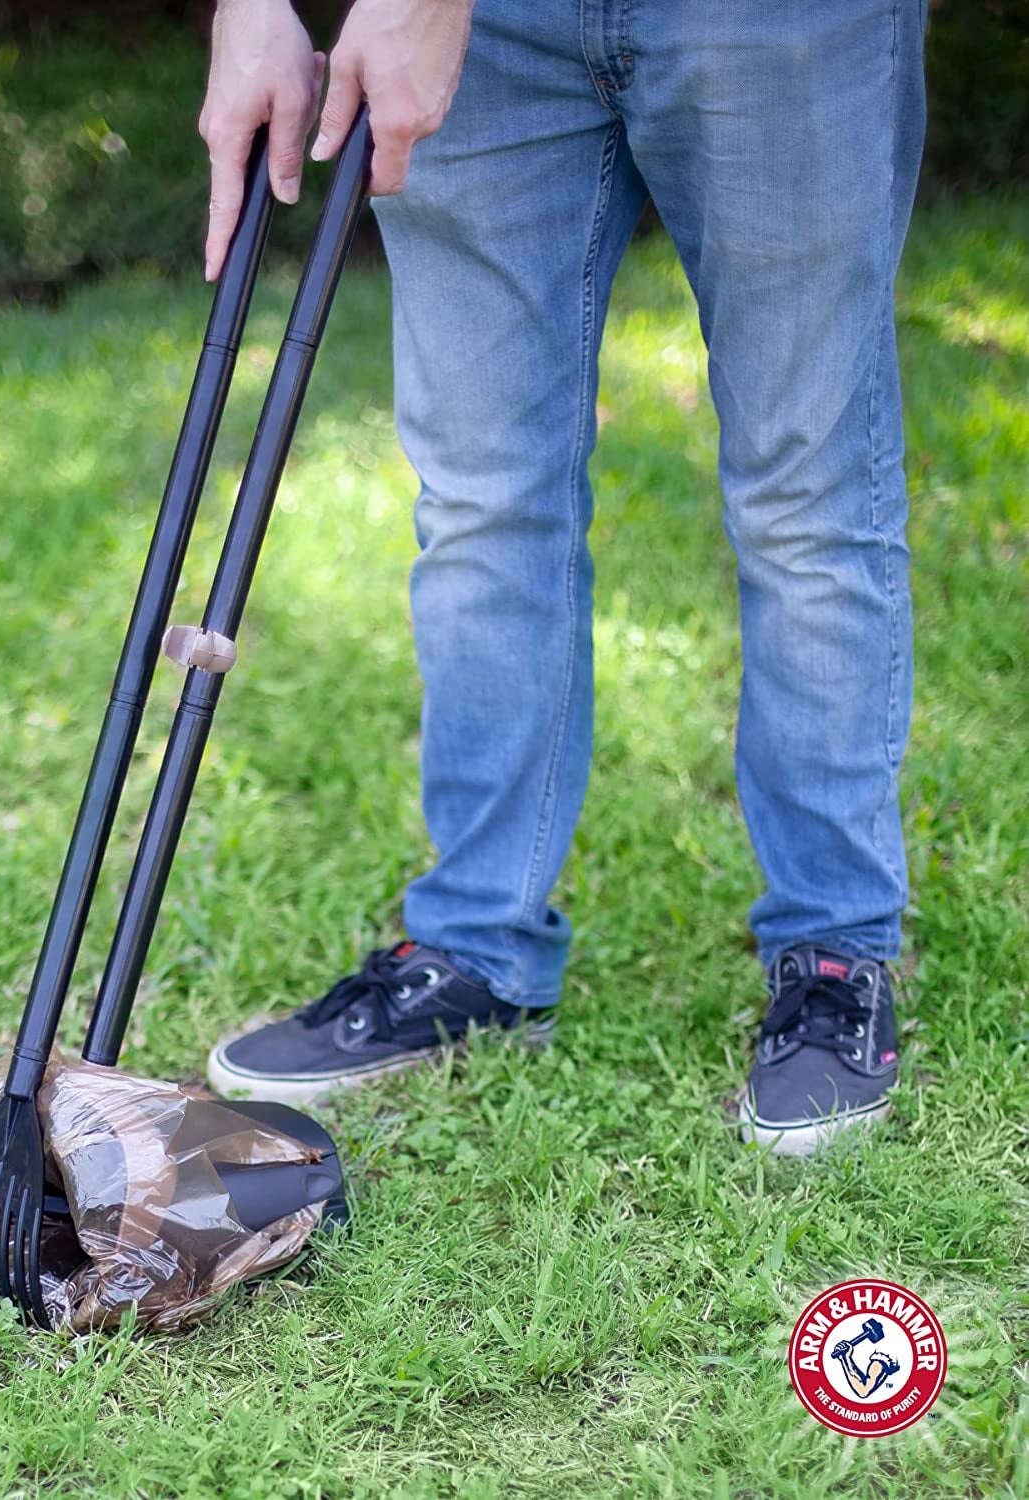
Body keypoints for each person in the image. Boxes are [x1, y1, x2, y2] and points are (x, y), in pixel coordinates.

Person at [197, 0, 924, 1157]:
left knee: (807, 493)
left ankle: (837, 952)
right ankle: (476, 951)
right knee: (484, 496)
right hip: (497, 31)